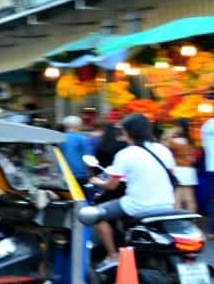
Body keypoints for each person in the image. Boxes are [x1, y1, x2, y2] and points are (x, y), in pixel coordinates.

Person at [89, 114, 176, 270]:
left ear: (128, 131)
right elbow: (169, 174)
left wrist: (97, 181)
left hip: (138, 205)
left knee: (96, 215)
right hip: (167, 203)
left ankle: (112, 256)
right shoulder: (163, 149)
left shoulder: (126, 154)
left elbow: (111, 186)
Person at [162, 121, 198, 212]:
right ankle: (192, 218)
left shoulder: (173, 142)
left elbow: (163, 145)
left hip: (178, 170)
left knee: (177, 198)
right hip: (189, 171)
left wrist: (169, 133)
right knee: (189, 197)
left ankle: (177, 219)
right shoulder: (190, 141)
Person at [58, 115, 95, 186]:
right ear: (79, 126)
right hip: (81, 174)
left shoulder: (60, 138)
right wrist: (91, 174)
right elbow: (89, 159)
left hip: (64, 173)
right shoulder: (83, 139)